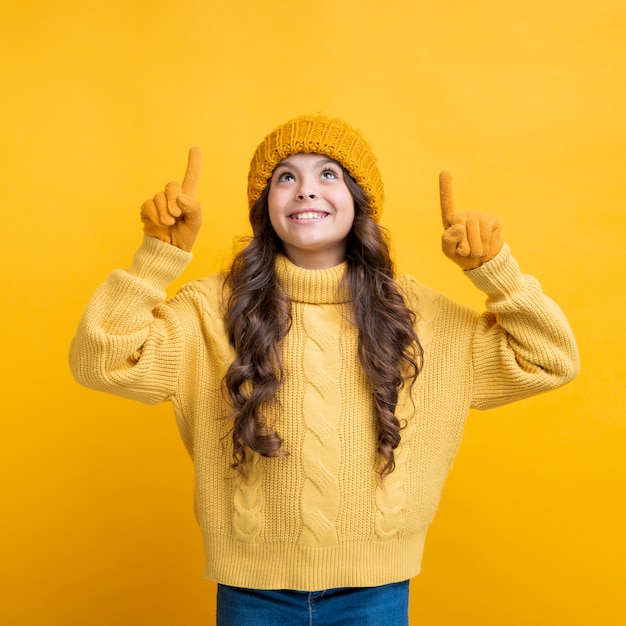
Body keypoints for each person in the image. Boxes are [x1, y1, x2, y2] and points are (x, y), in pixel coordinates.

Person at [69, 115, 579, 625]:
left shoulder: (420, 314)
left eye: (328, 175)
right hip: (252, 593)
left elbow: (550, 360)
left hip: (374, 593)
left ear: (359, 199)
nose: (305, 191)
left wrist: (495, 272)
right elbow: (101, 361)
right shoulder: (209, 308)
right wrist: (159, 256)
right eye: (285, 177)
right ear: (264, 205)